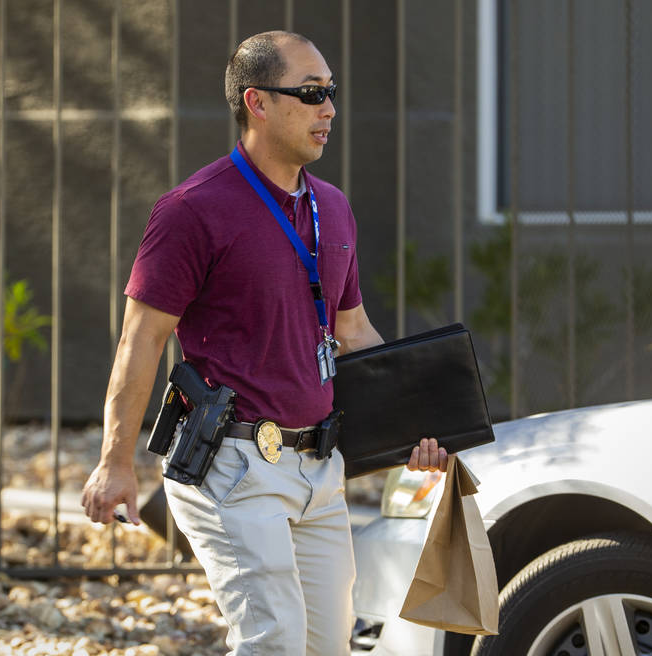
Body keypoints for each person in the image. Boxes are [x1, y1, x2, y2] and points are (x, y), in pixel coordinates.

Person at [81, 30, 447, 656]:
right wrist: (117, 461)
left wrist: (416, 423)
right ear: (256, 102)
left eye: (331, 92)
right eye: (309, 93)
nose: (328, 108)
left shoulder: (332, 208)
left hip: (319, 470)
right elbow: (140, 340)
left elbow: (354, 330)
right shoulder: (192, 210)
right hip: (230, 467)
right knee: (273, 642)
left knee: (325, 646)